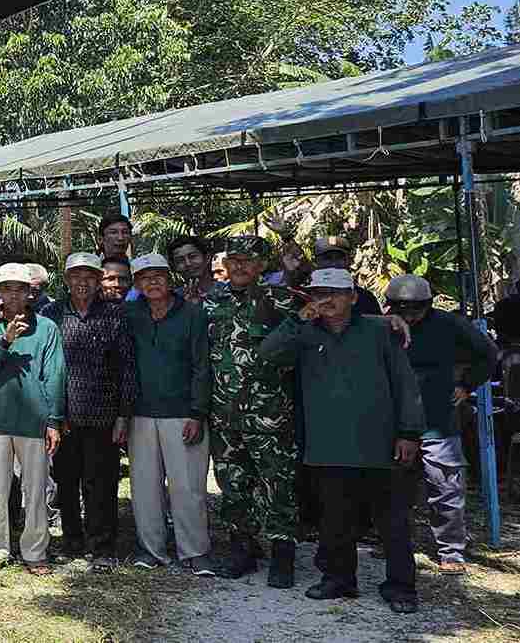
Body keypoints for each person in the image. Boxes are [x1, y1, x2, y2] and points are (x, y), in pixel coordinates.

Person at [261, 268, 424, 613]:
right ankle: (339, 579)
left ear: (353, 297)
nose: (327, 300)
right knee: (334, 520)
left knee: (391, 522)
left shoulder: (380, 330)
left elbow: (405, 384)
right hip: (327, 446)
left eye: (335, 293)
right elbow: (269, 353)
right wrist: (297, 319)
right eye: (319, 293)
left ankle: (400, 587)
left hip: (379, 445)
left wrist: (409, 432)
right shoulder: (304, 334)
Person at [201, 236, 303, 586]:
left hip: (269, 416)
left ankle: (283, 556)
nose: (240, 267)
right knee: (233, 486)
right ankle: (243, 550)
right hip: (225, 415)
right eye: (234, 261)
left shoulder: (283, 301)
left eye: (248, 261)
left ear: (262, 265)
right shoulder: (211, 302)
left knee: (278, 486)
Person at [386, 274, 497, 576]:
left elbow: (488, 354)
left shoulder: (451, 325)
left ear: (428, 305)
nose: (408, 316)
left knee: (445, 485)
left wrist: (467, 384)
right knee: (393, 487)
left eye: (415, 310)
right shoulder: (382, 326)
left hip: (438, 419)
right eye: (402, 309)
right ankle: (392, 543)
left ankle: (451, 550)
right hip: (394, 421)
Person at [0, 263, 65, 576]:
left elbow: (55, 374)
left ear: (30, 293)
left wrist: (54, 419)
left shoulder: (46, 327)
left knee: (35, 490)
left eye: (20, 288)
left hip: (33, 421)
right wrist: (4, 341)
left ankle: (35, 551)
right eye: (6, 288)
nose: (13, 294)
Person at [40, 253, 136, 572]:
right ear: (65, 280)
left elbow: (127, 368)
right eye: (76, 276)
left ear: (98, 280)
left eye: (90, 276)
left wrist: (123, 415)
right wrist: (52, 417)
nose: (83, 282)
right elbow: (46, 368)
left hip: (104, 416)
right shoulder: (51, 313)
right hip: (63, 417)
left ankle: (102, 546)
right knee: (66, 482)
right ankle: (72, 542)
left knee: (101, 483)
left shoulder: (114, 315)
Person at [123, 253, 217, 574]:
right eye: (145, 278)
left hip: (183, 414)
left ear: (169, 278)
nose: (152, 282)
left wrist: (198, 412)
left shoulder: (192, 314)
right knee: (144, 485)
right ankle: (151, 549)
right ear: (136, 284)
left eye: (158, 276)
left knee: (188, 486)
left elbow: (202, 366)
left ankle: (195, 551)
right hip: (141, 414)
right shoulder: (131, 314)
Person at [312, 235, 383, 315]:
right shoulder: (305, 297)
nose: (334, 263)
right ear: (316, 262)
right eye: (327, 258)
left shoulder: (365, 298)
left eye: (339, 258)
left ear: (349, 261)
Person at [167, 235, 216, 303]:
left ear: (207, 258)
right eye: (180, 260)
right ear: (174, 267)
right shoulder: (171, 299)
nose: (188, 263)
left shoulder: (228, 292)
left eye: (192, 256)